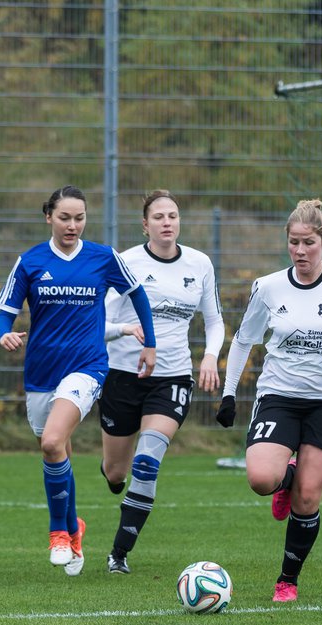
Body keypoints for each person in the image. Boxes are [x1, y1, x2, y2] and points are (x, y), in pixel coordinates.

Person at [0, 185, 157, 576]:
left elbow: (138, 296)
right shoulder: (31, 262)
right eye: (65, 217)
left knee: (52, 441)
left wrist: (149, 344)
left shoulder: (103, 258)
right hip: (40, 373)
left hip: (87, 367)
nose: (73, 225)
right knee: (56, 451)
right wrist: (5, 332)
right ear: (48, 217)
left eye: (79, 217)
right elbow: (5, 312)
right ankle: (74, 527)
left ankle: (57, 534)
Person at [215, 199, 322, 603]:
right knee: (261, 479)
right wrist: (229, 393)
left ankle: (287, 580)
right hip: (279, 395)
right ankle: (285, 478)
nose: (300, 252)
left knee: (307, 497)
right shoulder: (267, 287)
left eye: (309, 243)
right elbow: (244, 340)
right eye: (294, 243)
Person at [97, 190, 225, 574]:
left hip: (172, 378)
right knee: (116, 472)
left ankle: (119, 553)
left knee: (148, 461)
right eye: (159, 217)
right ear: (145, 224)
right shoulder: (126, 263)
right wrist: (124, 330)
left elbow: (215, 321)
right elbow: (94, 326)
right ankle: (111, 471)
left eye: (173, 215)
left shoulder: (200, 264)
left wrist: (208, 357)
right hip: (122, 377)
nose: (167, 222)